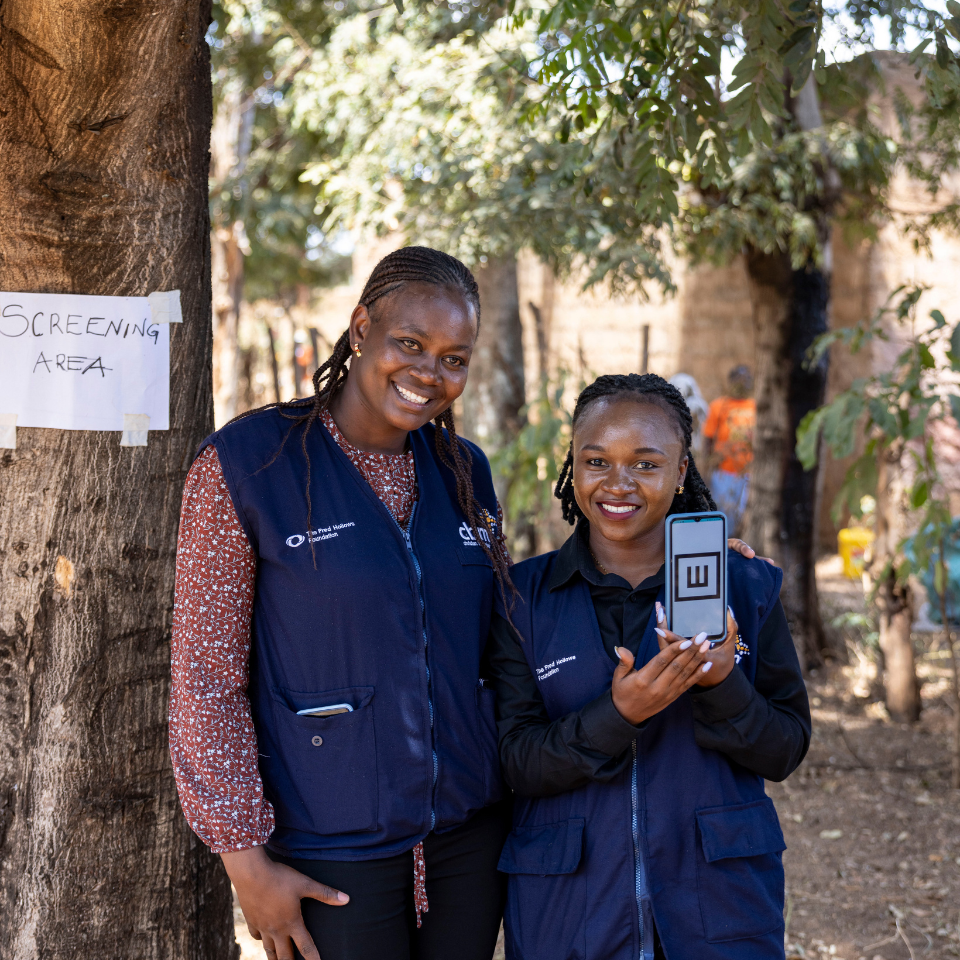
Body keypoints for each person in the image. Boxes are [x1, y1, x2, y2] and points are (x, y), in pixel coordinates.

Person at [169, 247, 515, 960]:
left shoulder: (464, 471)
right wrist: (244, 858)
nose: (429, 374)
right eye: (410, 345)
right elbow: (206, 675)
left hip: (466, 841)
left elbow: (505, 623)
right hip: (329, 849)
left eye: (455, 357)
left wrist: (659, 569)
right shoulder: (249, 466)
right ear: (362, 329)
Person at [485, 373, 810, 960]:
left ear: (682, 471)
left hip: (718, 906)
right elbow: (515, 762)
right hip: (571, 912)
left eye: (646, 464)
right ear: (573, 468)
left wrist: (721, 682)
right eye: (597, 461)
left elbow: (785, 749)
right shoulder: (520, 599)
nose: (618, 484)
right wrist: (619, 715)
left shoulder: (746, 586)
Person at [703, 364, 756, 536]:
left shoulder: (756, 407)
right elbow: (708, 439)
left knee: (744, 516)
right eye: (739, 379)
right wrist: (706, 468)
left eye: (746, 378)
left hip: (749, 473)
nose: (743, 383)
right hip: (723, 474)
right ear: (731, 381)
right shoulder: (719, 406)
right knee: (724, 516)